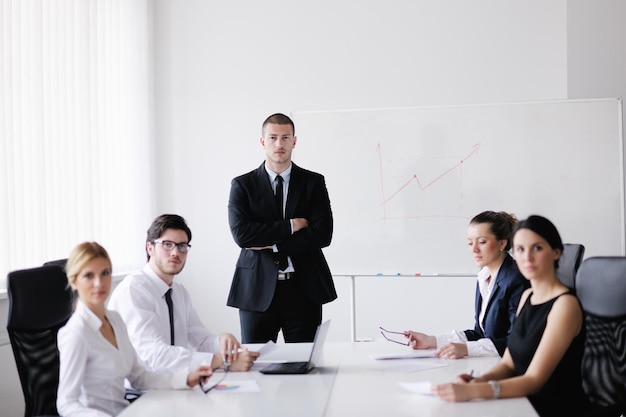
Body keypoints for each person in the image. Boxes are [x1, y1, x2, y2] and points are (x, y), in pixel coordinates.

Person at [431, 215, 591, 417]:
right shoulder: (527, 296)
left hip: (553, 407)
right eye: (521, 250)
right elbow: (508, 364)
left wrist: (474, 391)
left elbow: (534, 381)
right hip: (522, 400)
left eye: (537, 248)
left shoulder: (565, 305)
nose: (527, 257)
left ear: (556, 252)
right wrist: (478, 381)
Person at [57, 242, 212, 417]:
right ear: (74, 281)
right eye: (89, 276)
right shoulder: (76, 333)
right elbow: (66, 403)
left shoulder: (115, 320)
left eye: (105, 273)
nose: (99, 283)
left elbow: (139, 376)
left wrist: (186, 378)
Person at [227, 112, 336, 343]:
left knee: (303, 364)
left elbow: (322, 234)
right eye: (273, 137)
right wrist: (292, 226)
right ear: (262, 141)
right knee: (255, 364)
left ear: (294, 141)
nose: (279, 144)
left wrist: (272, 245)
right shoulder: (242, 185)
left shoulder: (313, 182)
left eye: (286, 137)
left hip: (303, 288)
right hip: (256, 289)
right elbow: (243, 235)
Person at [108, 214, 259, 373]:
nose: (175, 252)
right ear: (150, 248)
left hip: (175, 384)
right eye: (167, 244)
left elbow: (201, 341)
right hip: (141, 392)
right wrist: (221, 362)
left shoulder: (179, 292)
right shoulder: (133, 290)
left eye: (182, 246)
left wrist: (221, 341)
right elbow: (154, 355)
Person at [403, 211, 528, 358]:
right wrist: (432, 340)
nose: (474, 249)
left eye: (482, 242)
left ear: (502, 243)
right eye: (470, 242)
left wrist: (466, 349)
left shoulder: (516, 279)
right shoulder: (484, 276)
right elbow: (479, 334)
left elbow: (516, 342)